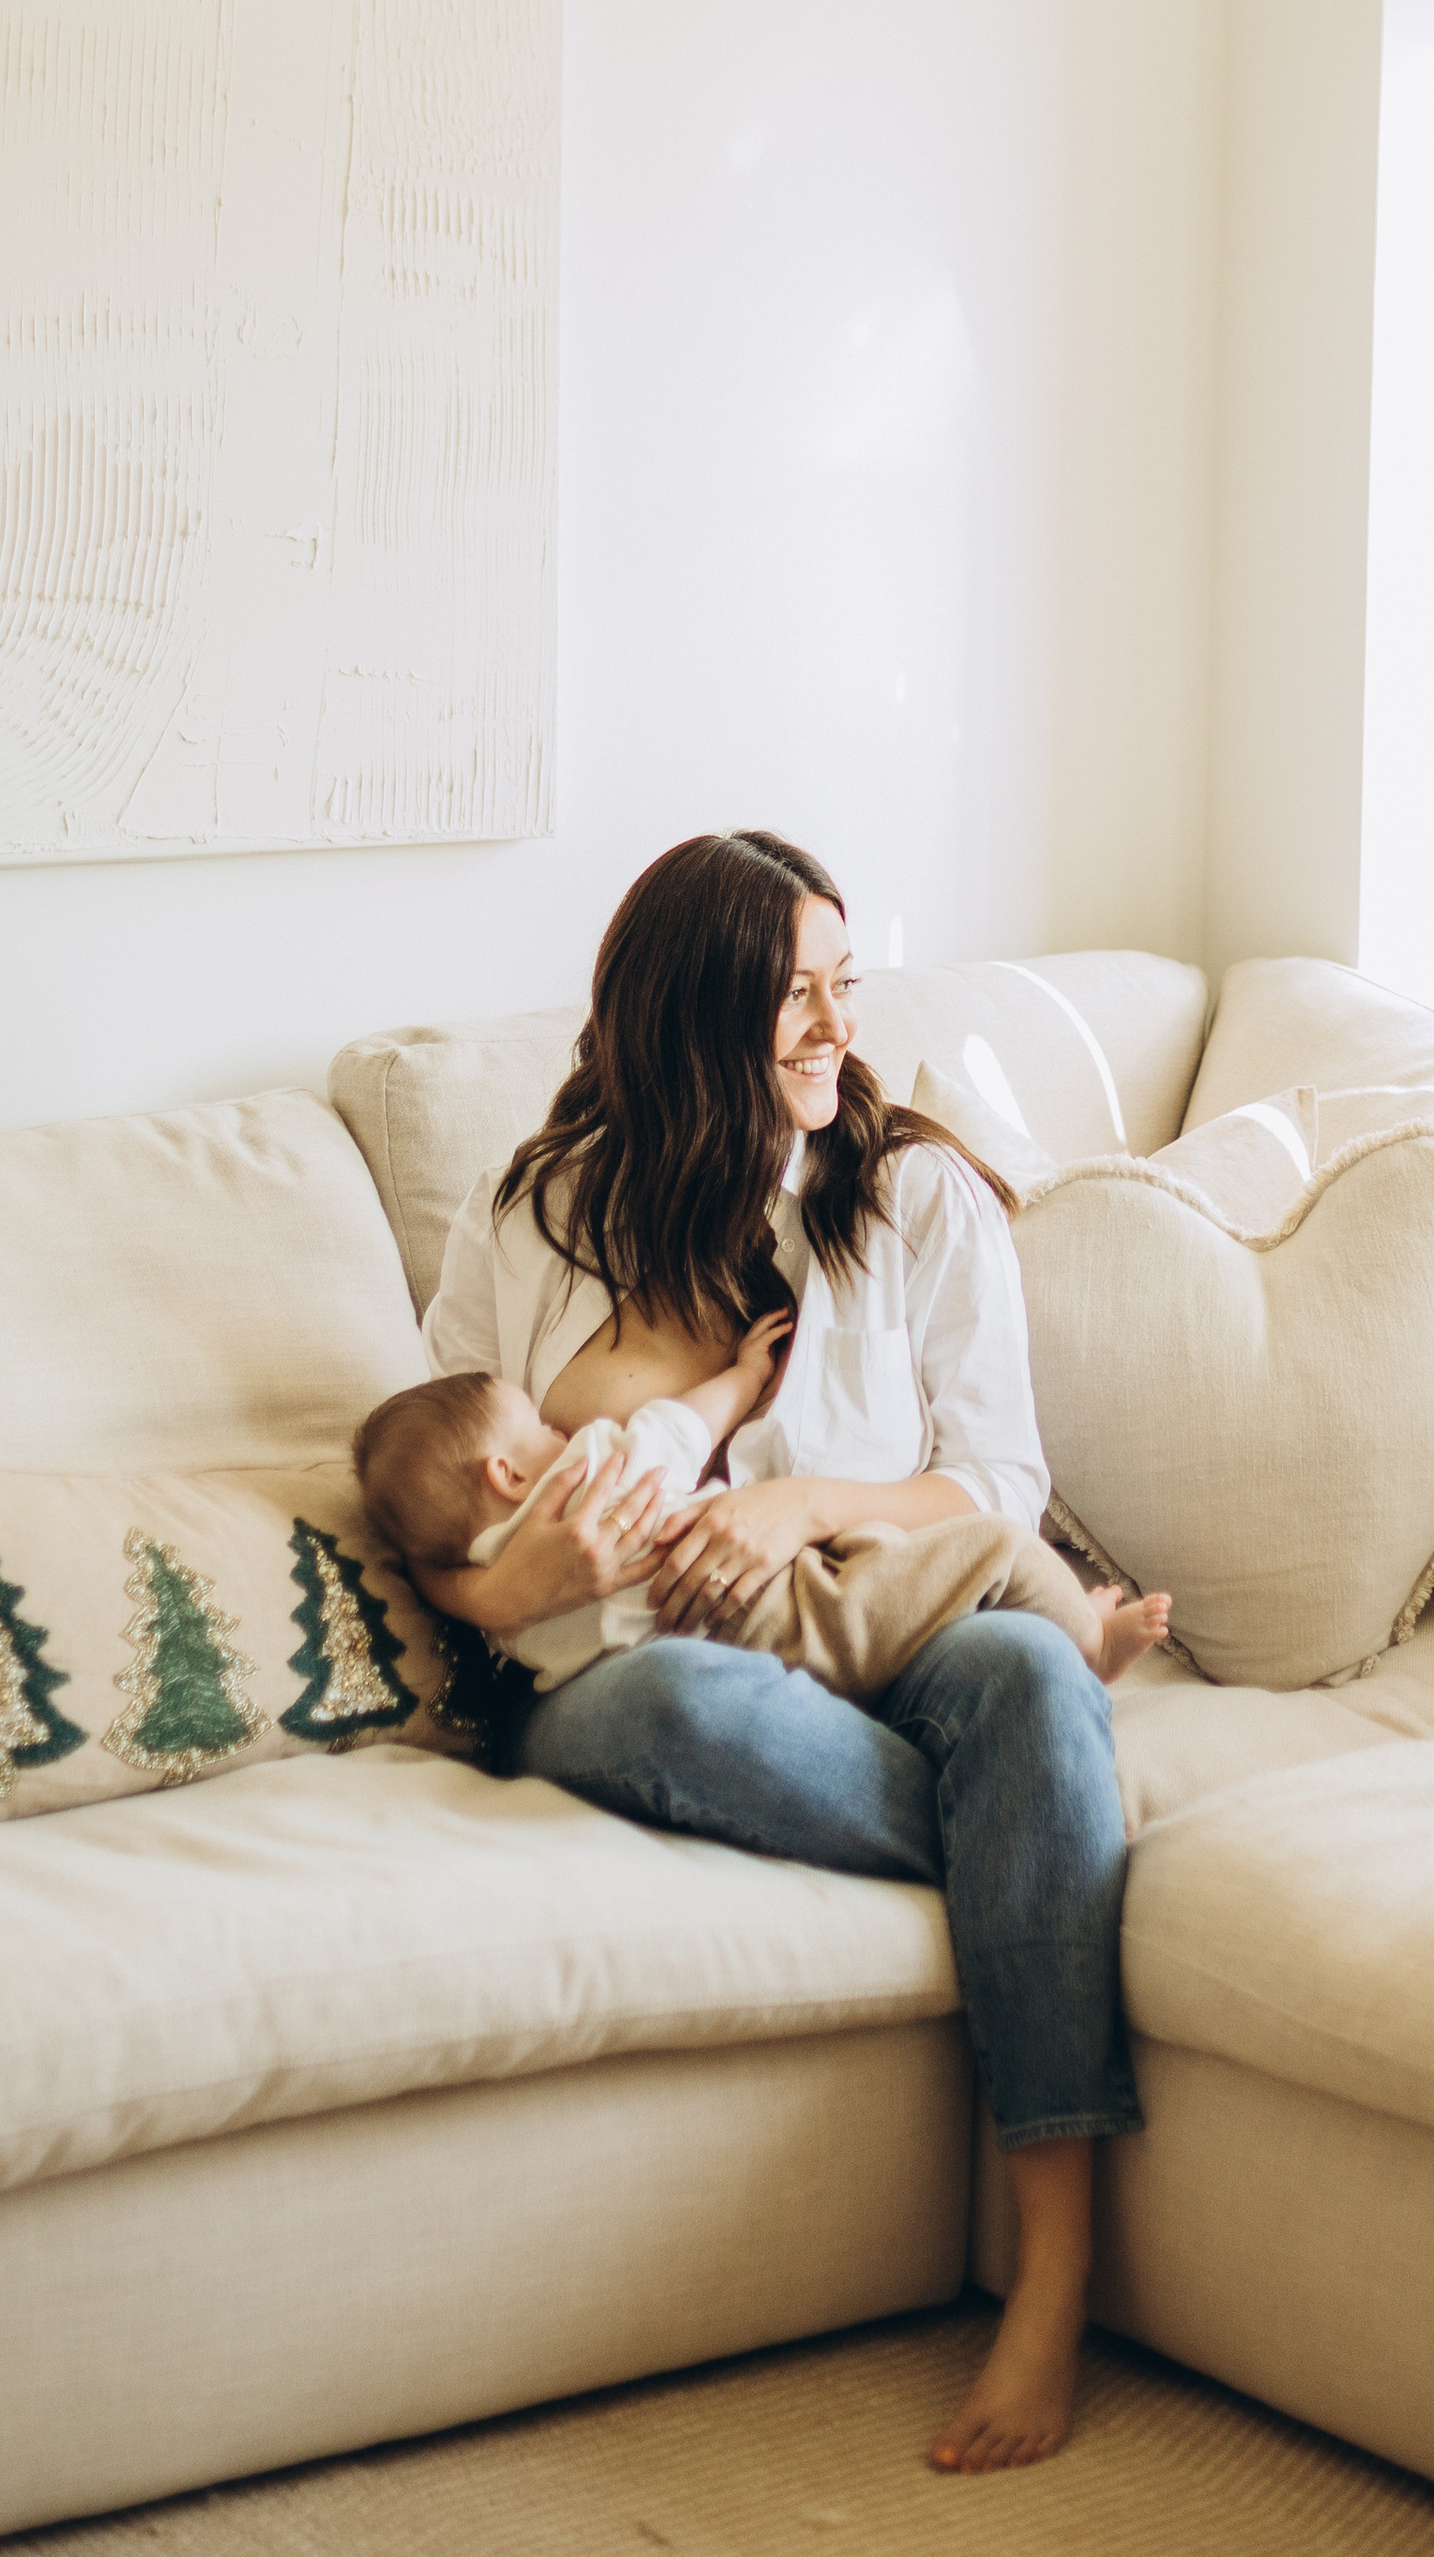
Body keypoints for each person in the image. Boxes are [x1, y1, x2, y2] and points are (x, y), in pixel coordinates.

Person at [414, 828, 1141, 2474]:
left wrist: (798, 1498)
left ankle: (1055, 2272)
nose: (833, 1028)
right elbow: (451, 1481)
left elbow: (999, 1484)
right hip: (646, 1668)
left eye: (843, 986)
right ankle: (1040, 1844)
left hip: (895, 1623)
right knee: (660, 1702)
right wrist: (502, 1589)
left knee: (1026, 1676)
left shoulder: (920, 1197)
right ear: (688, 1021)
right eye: (791, 998)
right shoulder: (534, 1216)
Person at [355, 1355, 1171, 1699]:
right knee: (996, 1546)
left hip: (704, 1647)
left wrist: (499, 1601)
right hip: (770, 1610)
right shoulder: (586, 1475)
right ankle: (1088, 1648)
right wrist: (744, 1377)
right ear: (508, 1473)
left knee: (890, 1557)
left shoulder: (517, 1636)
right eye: (538, 1424)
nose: (559, 1429)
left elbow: (424, 1545)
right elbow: (674, 1431)